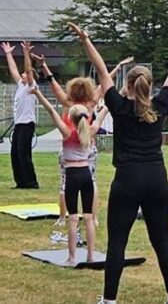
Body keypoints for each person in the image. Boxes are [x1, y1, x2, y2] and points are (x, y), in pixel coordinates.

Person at [68, 23, 168, 304]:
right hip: (157, 179)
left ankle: (109, 300)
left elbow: (99, 66)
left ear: (128, 86)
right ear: (150, 85)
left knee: (118, 242)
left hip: (128, 180)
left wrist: (85, 39)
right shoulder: (159, 106)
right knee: (161, 241)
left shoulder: (119, 107)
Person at [40, 55, 133, 227]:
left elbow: (53, 85)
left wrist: (45, 66)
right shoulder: (92, 102)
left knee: (64, 183)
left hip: (68, 149)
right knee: (92, 181)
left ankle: (63, 217)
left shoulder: (67, 102)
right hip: (88, 148)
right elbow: (105, 81)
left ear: (71, 90)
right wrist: (118, 67)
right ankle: (94, 217)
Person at [31, 86, 107, 266]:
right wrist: (113, 98)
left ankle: (72, 257)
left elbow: (50, 109)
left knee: (73, 218)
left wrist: (37, 93)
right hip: (87, 174)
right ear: (87, 117)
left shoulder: (67, 132)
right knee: (88, 217)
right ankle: (90, 256)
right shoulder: (91, 131)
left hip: (72, 175)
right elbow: (104, 110)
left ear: (70, 119)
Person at [1, 41, 39, 189]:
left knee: (24, 154)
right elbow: (14, 70)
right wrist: (8, 54)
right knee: (15, 154)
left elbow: (28, 70)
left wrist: (26, 53)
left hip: (27, 124)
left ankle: (31, 182)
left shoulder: (31, 86)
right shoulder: (21, 86)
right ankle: (20, 182)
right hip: (19, 124)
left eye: (25, 74)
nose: (22, 75)